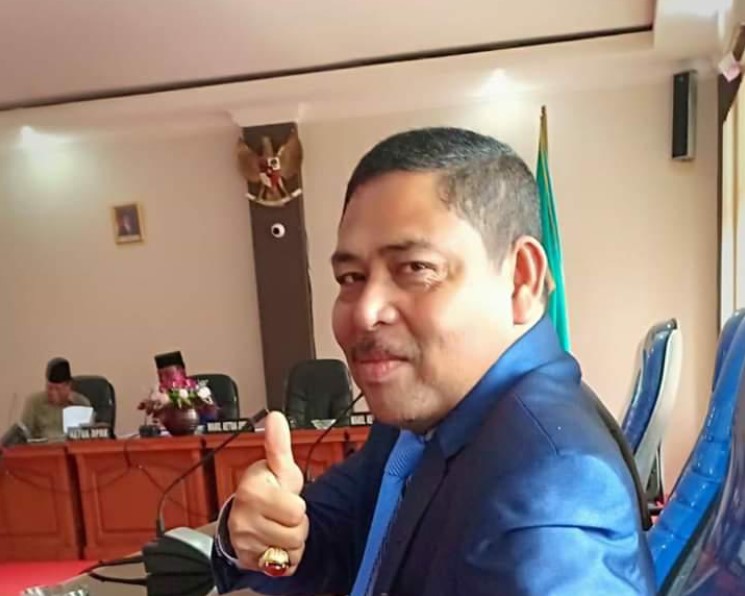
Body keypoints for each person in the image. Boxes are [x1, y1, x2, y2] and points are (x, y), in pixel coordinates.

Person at [211, 128, 655, 595]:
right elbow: (329, 537)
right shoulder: (420, 418)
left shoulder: (553, 490)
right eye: (351, 277)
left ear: (520, 280)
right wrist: (258, 529)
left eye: (416, 268)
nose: (365, 312)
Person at [20, 357, 91, 440]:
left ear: (68, 386)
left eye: (57, 389)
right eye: (49, 388)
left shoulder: (81, 404)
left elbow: (88, 437)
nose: (53, 393)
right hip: (43, 447)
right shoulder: (34, 402)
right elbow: (23, 435)